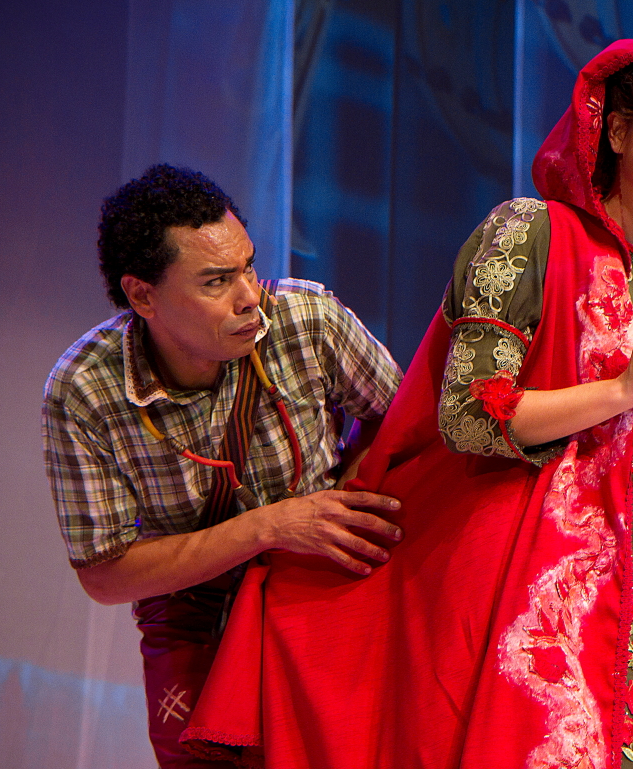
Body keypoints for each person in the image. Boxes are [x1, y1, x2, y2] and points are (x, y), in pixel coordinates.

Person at [184, 37, 633, 769]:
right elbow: (471, 414)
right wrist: (623, 390)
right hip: (517, 557)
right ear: (616, 131)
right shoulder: (533, 235)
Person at [41, 164, 404, 768]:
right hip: (193, 609)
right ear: (142, 296)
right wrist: (270, 526)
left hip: (321, 579)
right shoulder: (85, 389)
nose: (249, 298)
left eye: (248, 268)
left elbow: (401, 421)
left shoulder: (307, 319)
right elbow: (104, 576)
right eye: (216, 282)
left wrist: (342, 498)